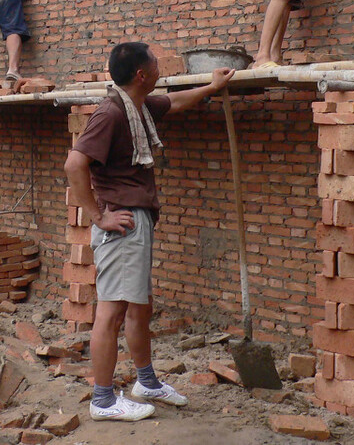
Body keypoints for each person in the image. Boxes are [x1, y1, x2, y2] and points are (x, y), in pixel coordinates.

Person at [64, 43, 234, 422]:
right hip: (120, 224)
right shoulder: (111, 113)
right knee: (111, 312)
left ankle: (146, 382)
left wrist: (211, 87)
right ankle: (104, 401)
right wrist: (98, 216)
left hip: (137, 221)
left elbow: (175, 102)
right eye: (156, 62)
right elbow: (74, 163)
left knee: (139, 307)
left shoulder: (138, 105)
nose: (161, 65)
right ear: (142, 74)